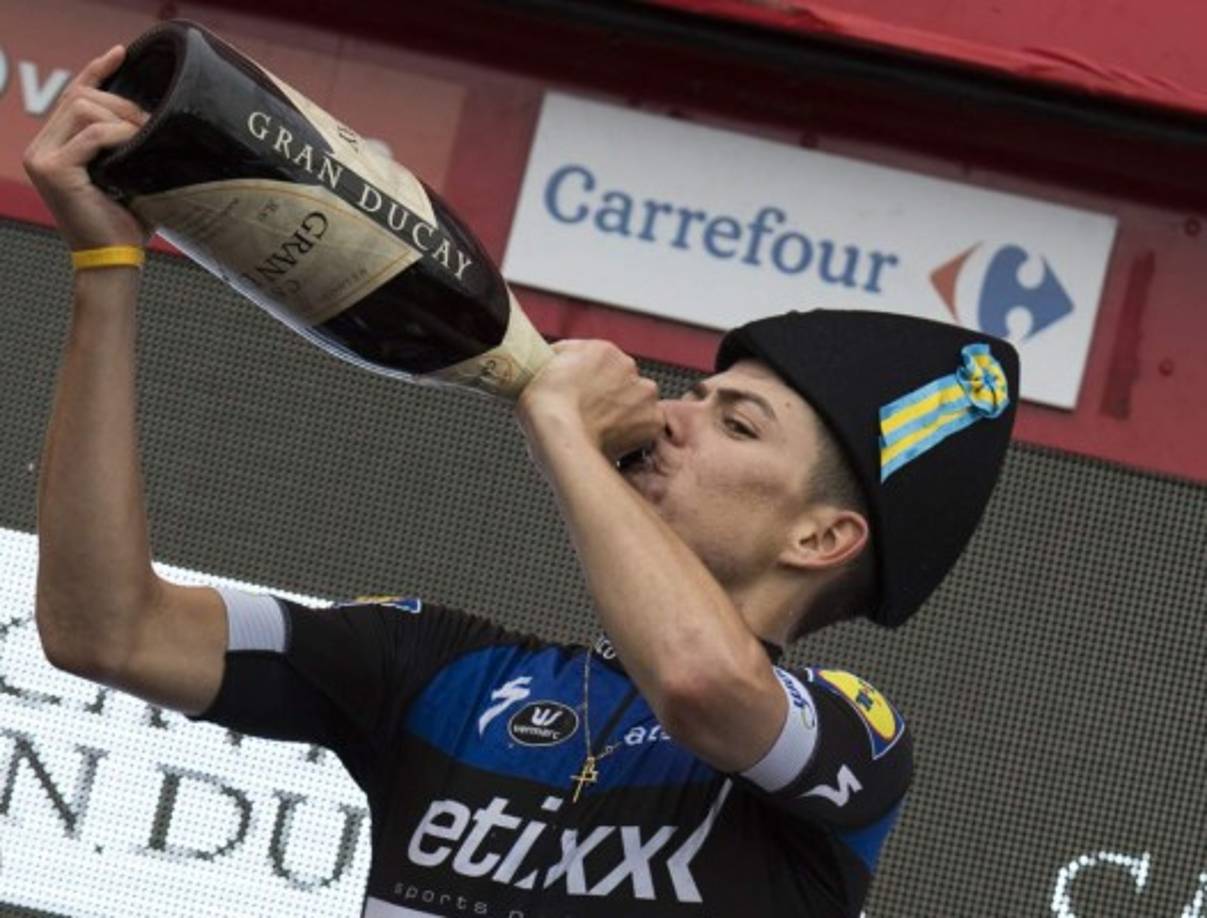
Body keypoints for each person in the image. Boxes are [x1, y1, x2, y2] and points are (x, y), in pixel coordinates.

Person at [25, 46, 1018, 918]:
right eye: (697, 392)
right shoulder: (442, 670)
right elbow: (103, 630)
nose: (673, 413)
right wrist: (107, 269)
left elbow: (702, 682)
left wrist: (558, 425)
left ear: (817, 539)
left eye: (736, 423)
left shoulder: (855, 742)